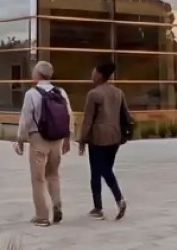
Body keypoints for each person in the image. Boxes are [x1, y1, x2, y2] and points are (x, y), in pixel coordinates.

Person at [14, 60, 74, 227]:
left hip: (38, 139)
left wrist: (20, 139)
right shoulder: (61, 92)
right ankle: (57, 205)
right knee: (53, 175)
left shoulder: (31, 94)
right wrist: (68, 138)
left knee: (38, 179)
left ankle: (42, 216)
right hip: (57, 140)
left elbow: (25, 119)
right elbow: (69, 115)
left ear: (38, 75)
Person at [78, 62, 129, 220]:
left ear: (100, 75)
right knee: (101, 170)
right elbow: (125, 114)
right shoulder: (118, 92)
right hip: (115, 136)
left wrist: (82, 139)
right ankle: (97, 207)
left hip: (98, 137)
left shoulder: (94, 94)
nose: (92, 75)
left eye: (93, 72)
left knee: (101, 170)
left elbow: (88, 119)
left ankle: (118, 199)